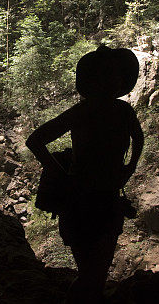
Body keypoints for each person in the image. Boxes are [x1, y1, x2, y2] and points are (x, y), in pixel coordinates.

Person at [26, 45, 144, 303]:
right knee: (93, 274)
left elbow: (138, 137)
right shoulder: (87, 111)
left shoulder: (121, 111)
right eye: (109, 75)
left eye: (116, 75)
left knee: (95, 274)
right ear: (97, 80)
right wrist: (61, 175)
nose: (114, 80)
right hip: (82, 202)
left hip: (104, 199)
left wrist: (130, 168)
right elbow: (35, 140)